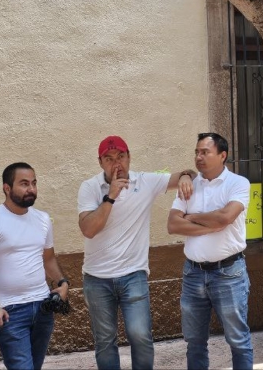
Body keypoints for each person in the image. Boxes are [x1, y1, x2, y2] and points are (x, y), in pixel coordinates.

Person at [78, 136, 194, 370]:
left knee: (141, 336)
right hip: (97, 278)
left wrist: (184, 176)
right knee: (104, 340)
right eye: (109, 159)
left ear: (129, 157)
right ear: (100, 162)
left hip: (134, 275)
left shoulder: (146, 182)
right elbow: (88, 229)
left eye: (120, 156)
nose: (116, 163)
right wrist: (111, 196)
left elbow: (187, 173)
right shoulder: (89, 188)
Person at [168, 132, 253, 369]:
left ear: (222, 155)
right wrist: (212, 223)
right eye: (196, 152)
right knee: (194, 342)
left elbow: (226, 217)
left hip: (229, 273)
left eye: (205, 152)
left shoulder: (238, 183)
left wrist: (192, 217)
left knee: (238, 340)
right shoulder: (189, 186)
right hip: (193, 273)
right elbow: (173, 224)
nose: (199, 157)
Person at [0, 163, 69, 370]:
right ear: (7, 188)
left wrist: (63, 283)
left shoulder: (42, 219)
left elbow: (49, 259)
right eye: (24, 184)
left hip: (43, 307)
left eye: (34, 183)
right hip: (10, 311)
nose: (32, 189)